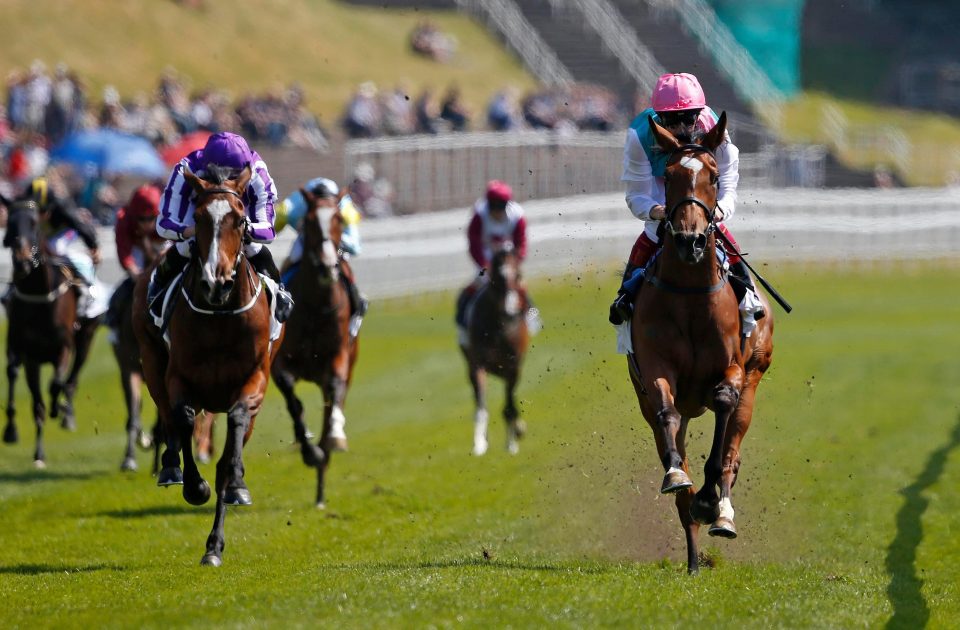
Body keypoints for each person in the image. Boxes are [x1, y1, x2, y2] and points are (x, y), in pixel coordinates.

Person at [608, 72, 765, 332]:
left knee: (712, 229)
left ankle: (747, 291)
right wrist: (656, 211)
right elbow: (636, 194)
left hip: (701, 185)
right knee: (654, 232)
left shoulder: (712, 125)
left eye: (689, 118)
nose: (682, 129)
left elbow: (727, 174)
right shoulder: (640, 134)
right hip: (663, 187)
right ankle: (625, 298)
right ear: (660, 117)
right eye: (672, 120)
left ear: (699, 113)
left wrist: (722, 208)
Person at [149, 131, 293, 321]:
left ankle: (278, 290)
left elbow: (268, 231)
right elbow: (164, 225)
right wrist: (197, 230)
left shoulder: (256, 172)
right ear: (207, 169)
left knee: (255, 248)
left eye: (233, 177)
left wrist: (243, 227)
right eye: (219, 176)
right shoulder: (186, 170)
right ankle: (157, 290)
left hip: (238, 214)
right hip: (200, 213)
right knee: (185, 248)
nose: (226, 181)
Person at [278, 177, 368, 337]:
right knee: (290, 263)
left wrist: (332, 239)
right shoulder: (293, 206)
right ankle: (278, 298)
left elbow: (355, 246)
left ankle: (357, 304)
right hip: (307, 240)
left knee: (344, 266)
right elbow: (272, 226)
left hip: (334, 244)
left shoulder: (346, 210)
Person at [455, 180, 540, 341]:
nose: (498, 212)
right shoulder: (480, 215)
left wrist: (515, 263)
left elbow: (521, 243)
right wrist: (484, 265)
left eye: (501, 207)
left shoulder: (517, 216)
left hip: (508, 259)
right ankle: (463, 325)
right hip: (486, 259)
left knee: (519, 287)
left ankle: (531, 316)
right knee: (474, 287)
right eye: (494, 207)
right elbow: (473, 243)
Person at [14, 175, 106, 319]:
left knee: (54, 246)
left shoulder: (62, 208)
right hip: (45, 234)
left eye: (42, 211)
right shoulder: (26, 209)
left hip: (64, 232)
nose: (38, 215)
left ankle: (89, 290)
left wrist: (93, 246)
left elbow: (80, 226)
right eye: (35, 211)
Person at [104, 183, 168, 331]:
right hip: (137, 248)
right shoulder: (124, 219)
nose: (146, 224)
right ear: (133, 216)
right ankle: (114, 319)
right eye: (141, 219)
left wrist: (150, 251)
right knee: (126, 288)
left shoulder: (167, 218)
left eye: (151, 218)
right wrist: (136, 275)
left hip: (161, 247)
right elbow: (124, 252)